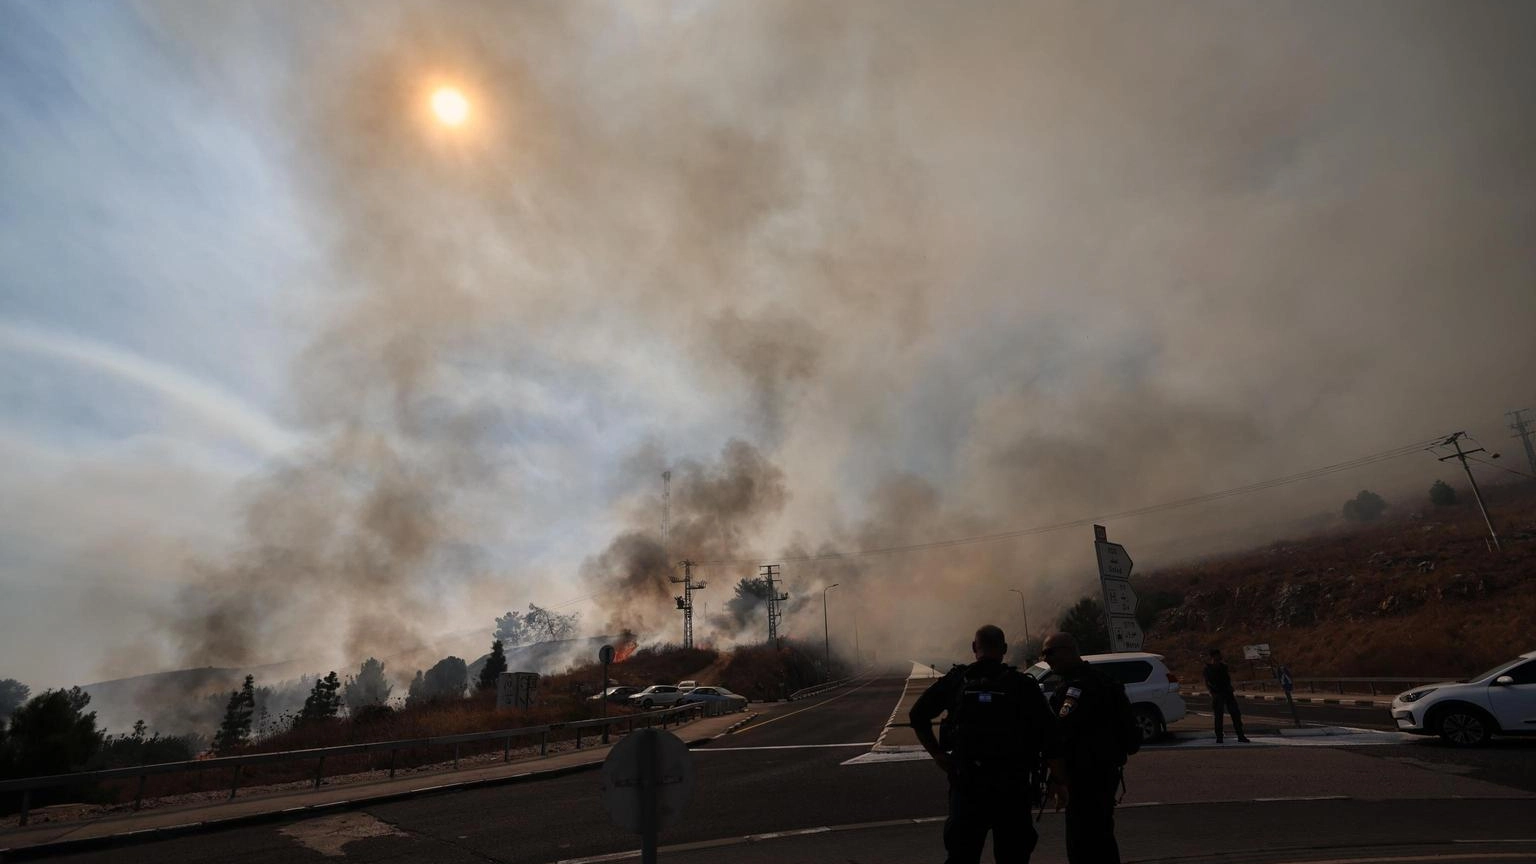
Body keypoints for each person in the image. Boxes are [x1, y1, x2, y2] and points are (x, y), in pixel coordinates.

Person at [910, 624, 1064, 864]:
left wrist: (939, 756)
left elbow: (917, 715)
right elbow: (1049, 734)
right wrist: (1057, 779)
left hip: (968, 786)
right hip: (1012, 788)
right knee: (1013, 857)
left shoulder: (958, 680)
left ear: (974, 648)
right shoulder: (1021, 684)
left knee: (962, 857)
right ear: (1004, 649)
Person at [1040, 631, 1136, 864]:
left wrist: (1057, 777)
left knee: (1083, 843)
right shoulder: (1105, 683)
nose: (1046, 659)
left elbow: (1061, 737)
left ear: (1068, 651)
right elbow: (1131, 739)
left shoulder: (1077, 689)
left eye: (1049, 653)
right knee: (1101, 838)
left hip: (1085, 779)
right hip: (1105, 775)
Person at [1203, 647, 1250, 743]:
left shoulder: (1223, 667)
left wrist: (1230, 687)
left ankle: (1240, 735)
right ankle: (1219, 737)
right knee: (1219, 717)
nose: (1219, 657)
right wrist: (1212, 693)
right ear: (1212, 657)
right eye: (1217, 655)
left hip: (1227, 692)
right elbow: (1207, 683)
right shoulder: (1208, 669)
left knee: (1236, 715)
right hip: (1217, 694)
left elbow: (1227, 679)